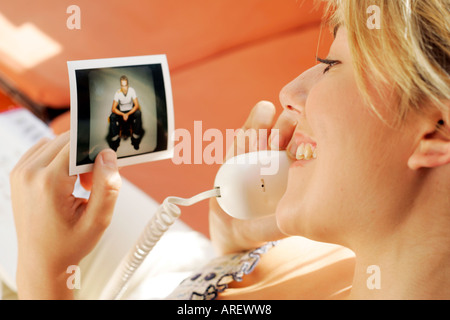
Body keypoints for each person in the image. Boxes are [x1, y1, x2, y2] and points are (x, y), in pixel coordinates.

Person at [10, 0, 450, 299]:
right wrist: (234, 244)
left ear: (436, 133)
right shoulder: (342, 250)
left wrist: (44, 275)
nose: (290, 92)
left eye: (330, 65)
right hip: (181, 268)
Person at [107, 75, 144, 151]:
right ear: (121, 86)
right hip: (121, 113)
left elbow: (136, 105)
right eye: (122, 86)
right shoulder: (117, 93)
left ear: (128, 85)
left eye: (125, 85)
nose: (124, 88)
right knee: (112, 116)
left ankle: (135, 139)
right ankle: (115, 141)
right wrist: (123, 114)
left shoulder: (132, 91)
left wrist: (127, 114)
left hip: (130, 113)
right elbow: (113, 109)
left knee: (138, 113)